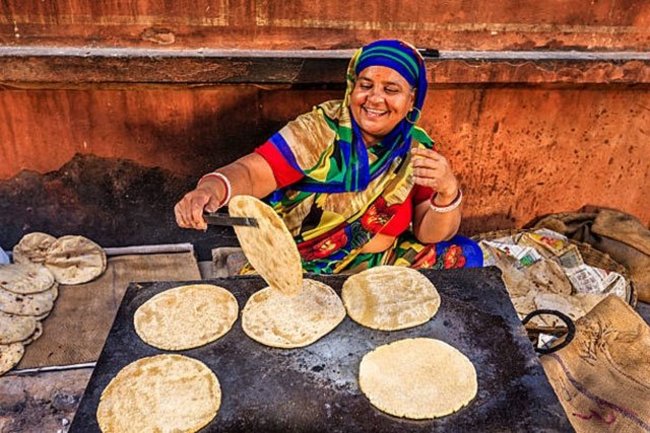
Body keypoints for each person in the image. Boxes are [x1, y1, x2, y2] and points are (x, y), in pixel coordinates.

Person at [175, 39, 483, 274]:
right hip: (305, 264)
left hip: (378, 264)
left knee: (466, 255)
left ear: (412, 98)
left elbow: (429, 233)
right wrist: (210, 190)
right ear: (352, 87)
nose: (375, 98)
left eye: (391, 89)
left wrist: (448, 192)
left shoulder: (416, 149)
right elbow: (254, 172)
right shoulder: (319, 129)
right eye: (365, 85)